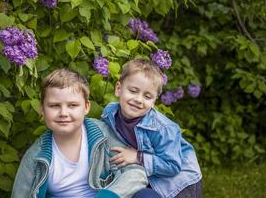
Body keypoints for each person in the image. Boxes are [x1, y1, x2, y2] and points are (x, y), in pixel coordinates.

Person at [11, 68, 148, 198]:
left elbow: (135, 173)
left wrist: (109, 195)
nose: (63, 113)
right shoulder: (36, 157)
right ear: (42, 109)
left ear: (86, 107)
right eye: (54, 106)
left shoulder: (102, 135)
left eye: (72, 105)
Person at [101, 58, 202, 198]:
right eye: (133, 91)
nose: (138, 99)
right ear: (118, 89)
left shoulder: (163, 129)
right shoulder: (110, 113)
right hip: (146, 176)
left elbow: (172, 165)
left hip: (178, 183)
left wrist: (138, 157)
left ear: (154, 101)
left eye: (147, 96)